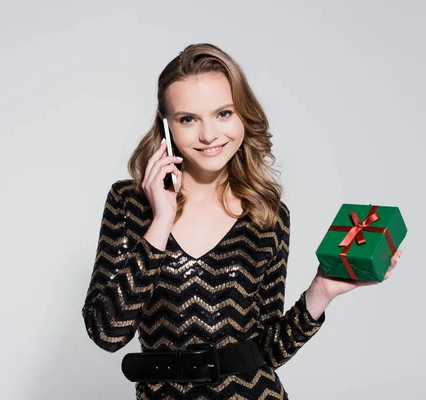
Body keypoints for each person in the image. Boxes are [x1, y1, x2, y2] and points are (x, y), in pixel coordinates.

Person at [81, 43, 402, 399]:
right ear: (166, 122)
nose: (208, 135)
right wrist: (161, 222)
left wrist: (321, 291)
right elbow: (106, 332)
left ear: (242, 114)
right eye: (188, 119)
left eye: (223, 113)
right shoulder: (130, 203)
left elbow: (266, 351)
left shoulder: (267, 214)